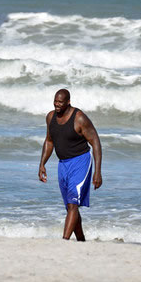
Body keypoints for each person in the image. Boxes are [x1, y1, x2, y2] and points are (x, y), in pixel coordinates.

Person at [38, 89, 102, 241]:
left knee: (73, 204)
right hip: (63, 164)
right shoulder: (51, 117)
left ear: (68, 102)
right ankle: (81, 240)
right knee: (69, 206)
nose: (56, 104)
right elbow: (49, 141)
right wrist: (42, 164)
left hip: (80, 162)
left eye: (60, 102)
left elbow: (96, 143)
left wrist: (97, 172)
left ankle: (64, 240)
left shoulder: (79, 118)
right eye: (55, 101)